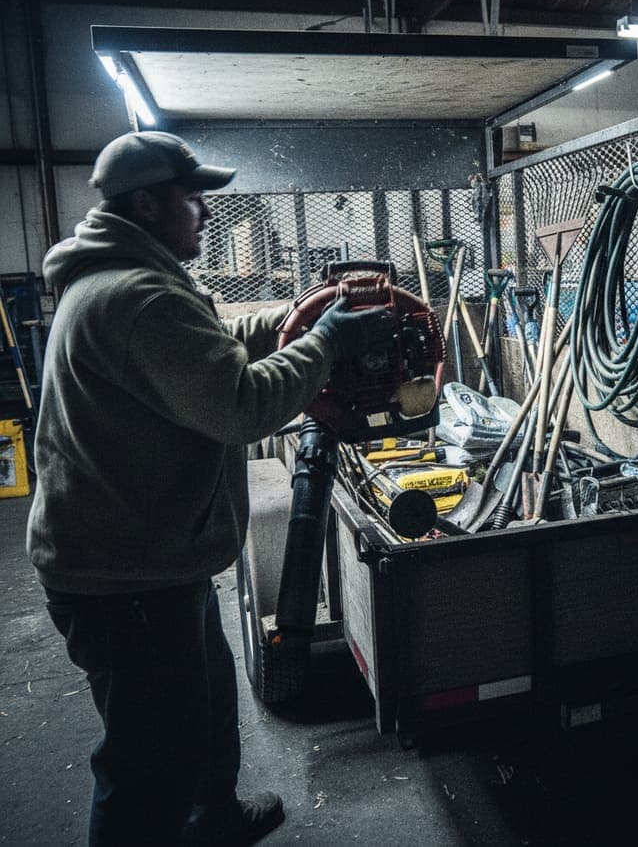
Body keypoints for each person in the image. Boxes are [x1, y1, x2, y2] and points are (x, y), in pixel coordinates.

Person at [26, 130, 388, 846]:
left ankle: (211, 820)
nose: (206, 212)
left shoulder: (138, 282)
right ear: (147, 203)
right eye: (193, 198)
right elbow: (241, 404)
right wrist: (325, 344)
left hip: (150, 557)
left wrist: (300, 315)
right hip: (123, 579)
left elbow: (216, 340)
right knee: (147, 759)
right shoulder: (136, 299)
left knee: (208, 707)